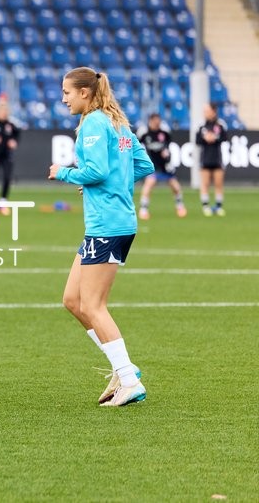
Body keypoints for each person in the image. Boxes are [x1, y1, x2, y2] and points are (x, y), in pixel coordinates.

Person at [48, 67, 154, 407]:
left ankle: (128, 379)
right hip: (113, 223)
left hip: (107, 225)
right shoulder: (118, 123)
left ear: (84, 93)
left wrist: (63, 172)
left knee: (92, 305)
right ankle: (124, 370)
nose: (63, 98)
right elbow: (143, 166)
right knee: (72, 300)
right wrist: (115, 186)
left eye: (67, 92)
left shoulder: (93, 123)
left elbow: (96, 171)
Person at [137, 113, 187, 220]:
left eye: (158, 121)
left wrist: (167, 152)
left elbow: (169, 143)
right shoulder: (144, 132)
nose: (157, 123)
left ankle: (180, 206)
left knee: (175, 186)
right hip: (152, 164)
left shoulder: (164, 131)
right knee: (149, 185)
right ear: (151, 121)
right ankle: (143, 209)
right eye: (155, 121)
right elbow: (136, 144)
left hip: (165, 164)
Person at [196, 103, 228, 217]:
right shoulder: (201, 125)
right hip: (205, 158)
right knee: (205, 183)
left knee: (218, 183)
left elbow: (225, 137)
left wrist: (215, 138)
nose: (205, 113)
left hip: (217, 158)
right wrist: (205, 138)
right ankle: (206, 206)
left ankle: (218, 206)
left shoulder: (220, 124)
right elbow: (197, 140)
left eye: (207, 110)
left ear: (214, 111)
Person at [0, 98, 20, 215]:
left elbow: (17, 135)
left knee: (7, 177)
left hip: (7, 155)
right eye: (1, 110)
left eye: (5, 110)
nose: (3, 112)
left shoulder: (11, 124)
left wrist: (14, 142)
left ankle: (3, 202)